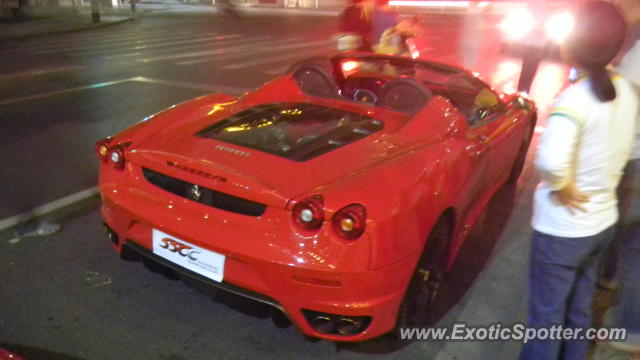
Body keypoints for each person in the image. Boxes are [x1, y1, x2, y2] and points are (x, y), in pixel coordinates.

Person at [519, 2, 638, 360]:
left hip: (562, 231)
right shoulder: (624, 89)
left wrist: (564, 187)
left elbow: (551, 162)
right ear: (618, 47)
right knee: (579, 308)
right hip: (601, 222)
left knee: (545, 316)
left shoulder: (574, 100)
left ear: (570, 46)